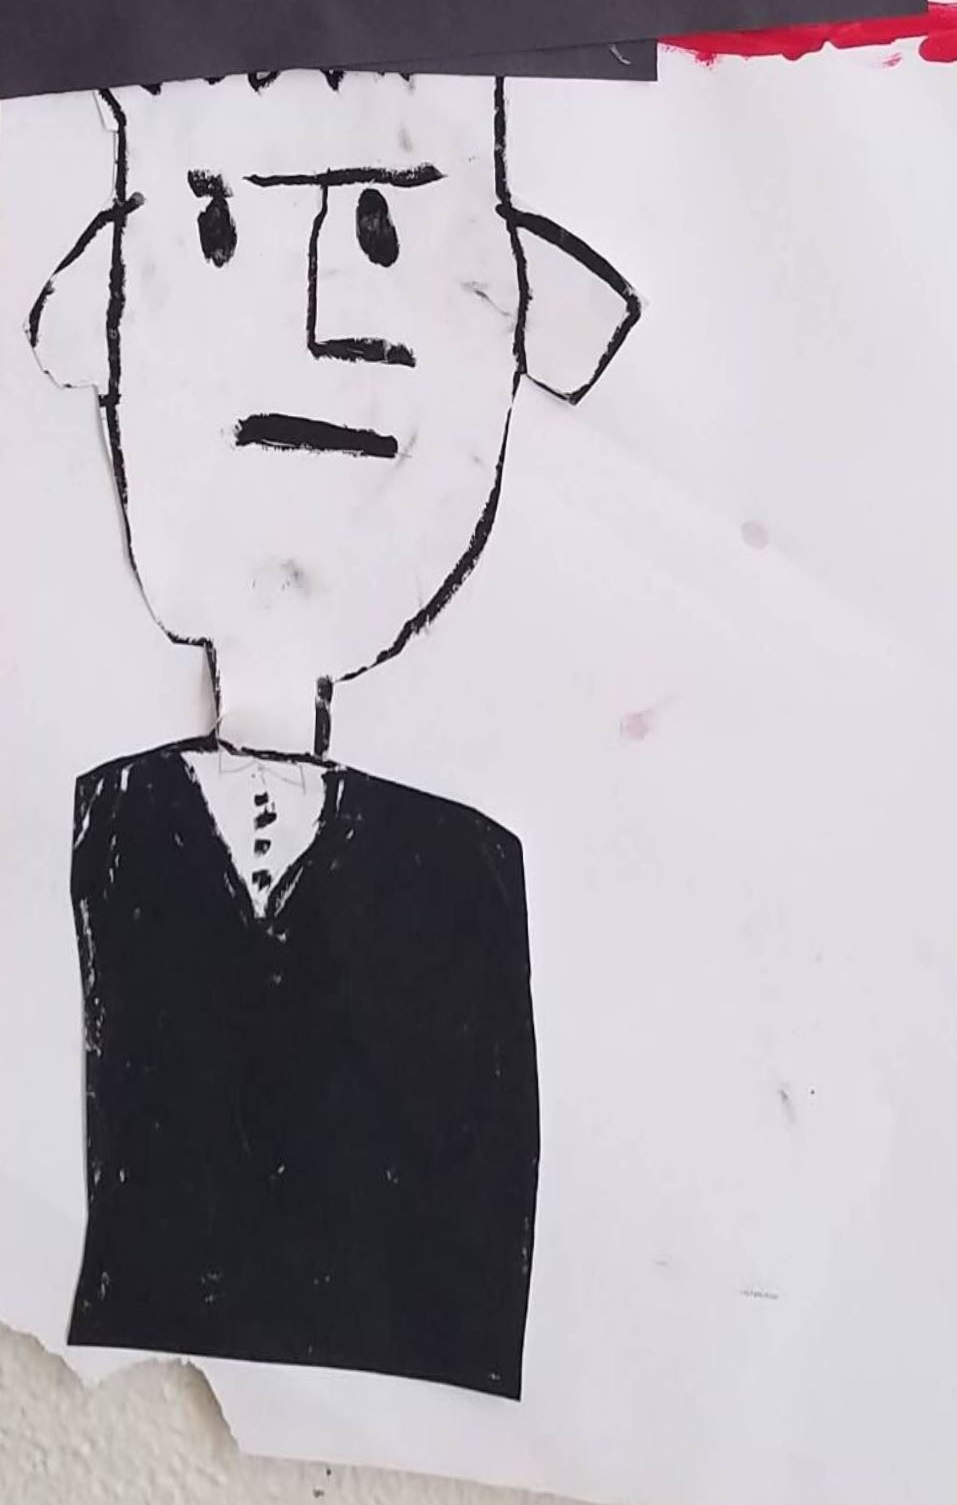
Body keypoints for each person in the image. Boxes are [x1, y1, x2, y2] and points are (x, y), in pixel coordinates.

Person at [30, 69, 639, 1395]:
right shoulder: (94, 830)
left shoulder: (459, 879)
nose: (317, 332)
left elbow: (467, 1243)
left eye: (378, 233)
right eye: (217, 232)